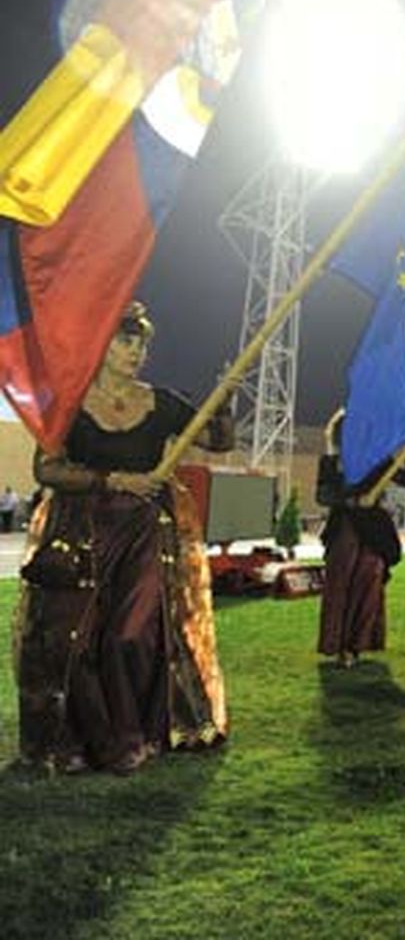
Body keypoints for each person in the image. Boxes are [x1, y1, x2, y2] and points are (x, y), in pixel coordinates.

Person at [15, 301, 232, 774]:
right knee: (75, 640)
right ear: (101, 344)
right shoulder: (69, 402)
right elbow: (45, 469)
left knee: (130, 635)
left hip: (143, 535)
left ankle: (132, 736)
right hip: (80, 532)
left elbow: (219, 440)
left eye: (141, 343)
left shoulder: (162, 403)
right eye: (125, 341)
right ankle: (80, 742)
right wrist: (113, 480)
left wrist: (225, 399)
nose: (136, 351)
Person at [316, 409, 405, 667]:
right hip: (345, 527)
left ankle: (358, 644)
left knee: (368, 585)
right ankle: (339, 646)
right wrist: (352, 499)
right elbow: (323, 496)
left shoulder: (379, 459)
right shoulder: (334, 461)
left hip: (373, 530)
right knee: (341, 586)